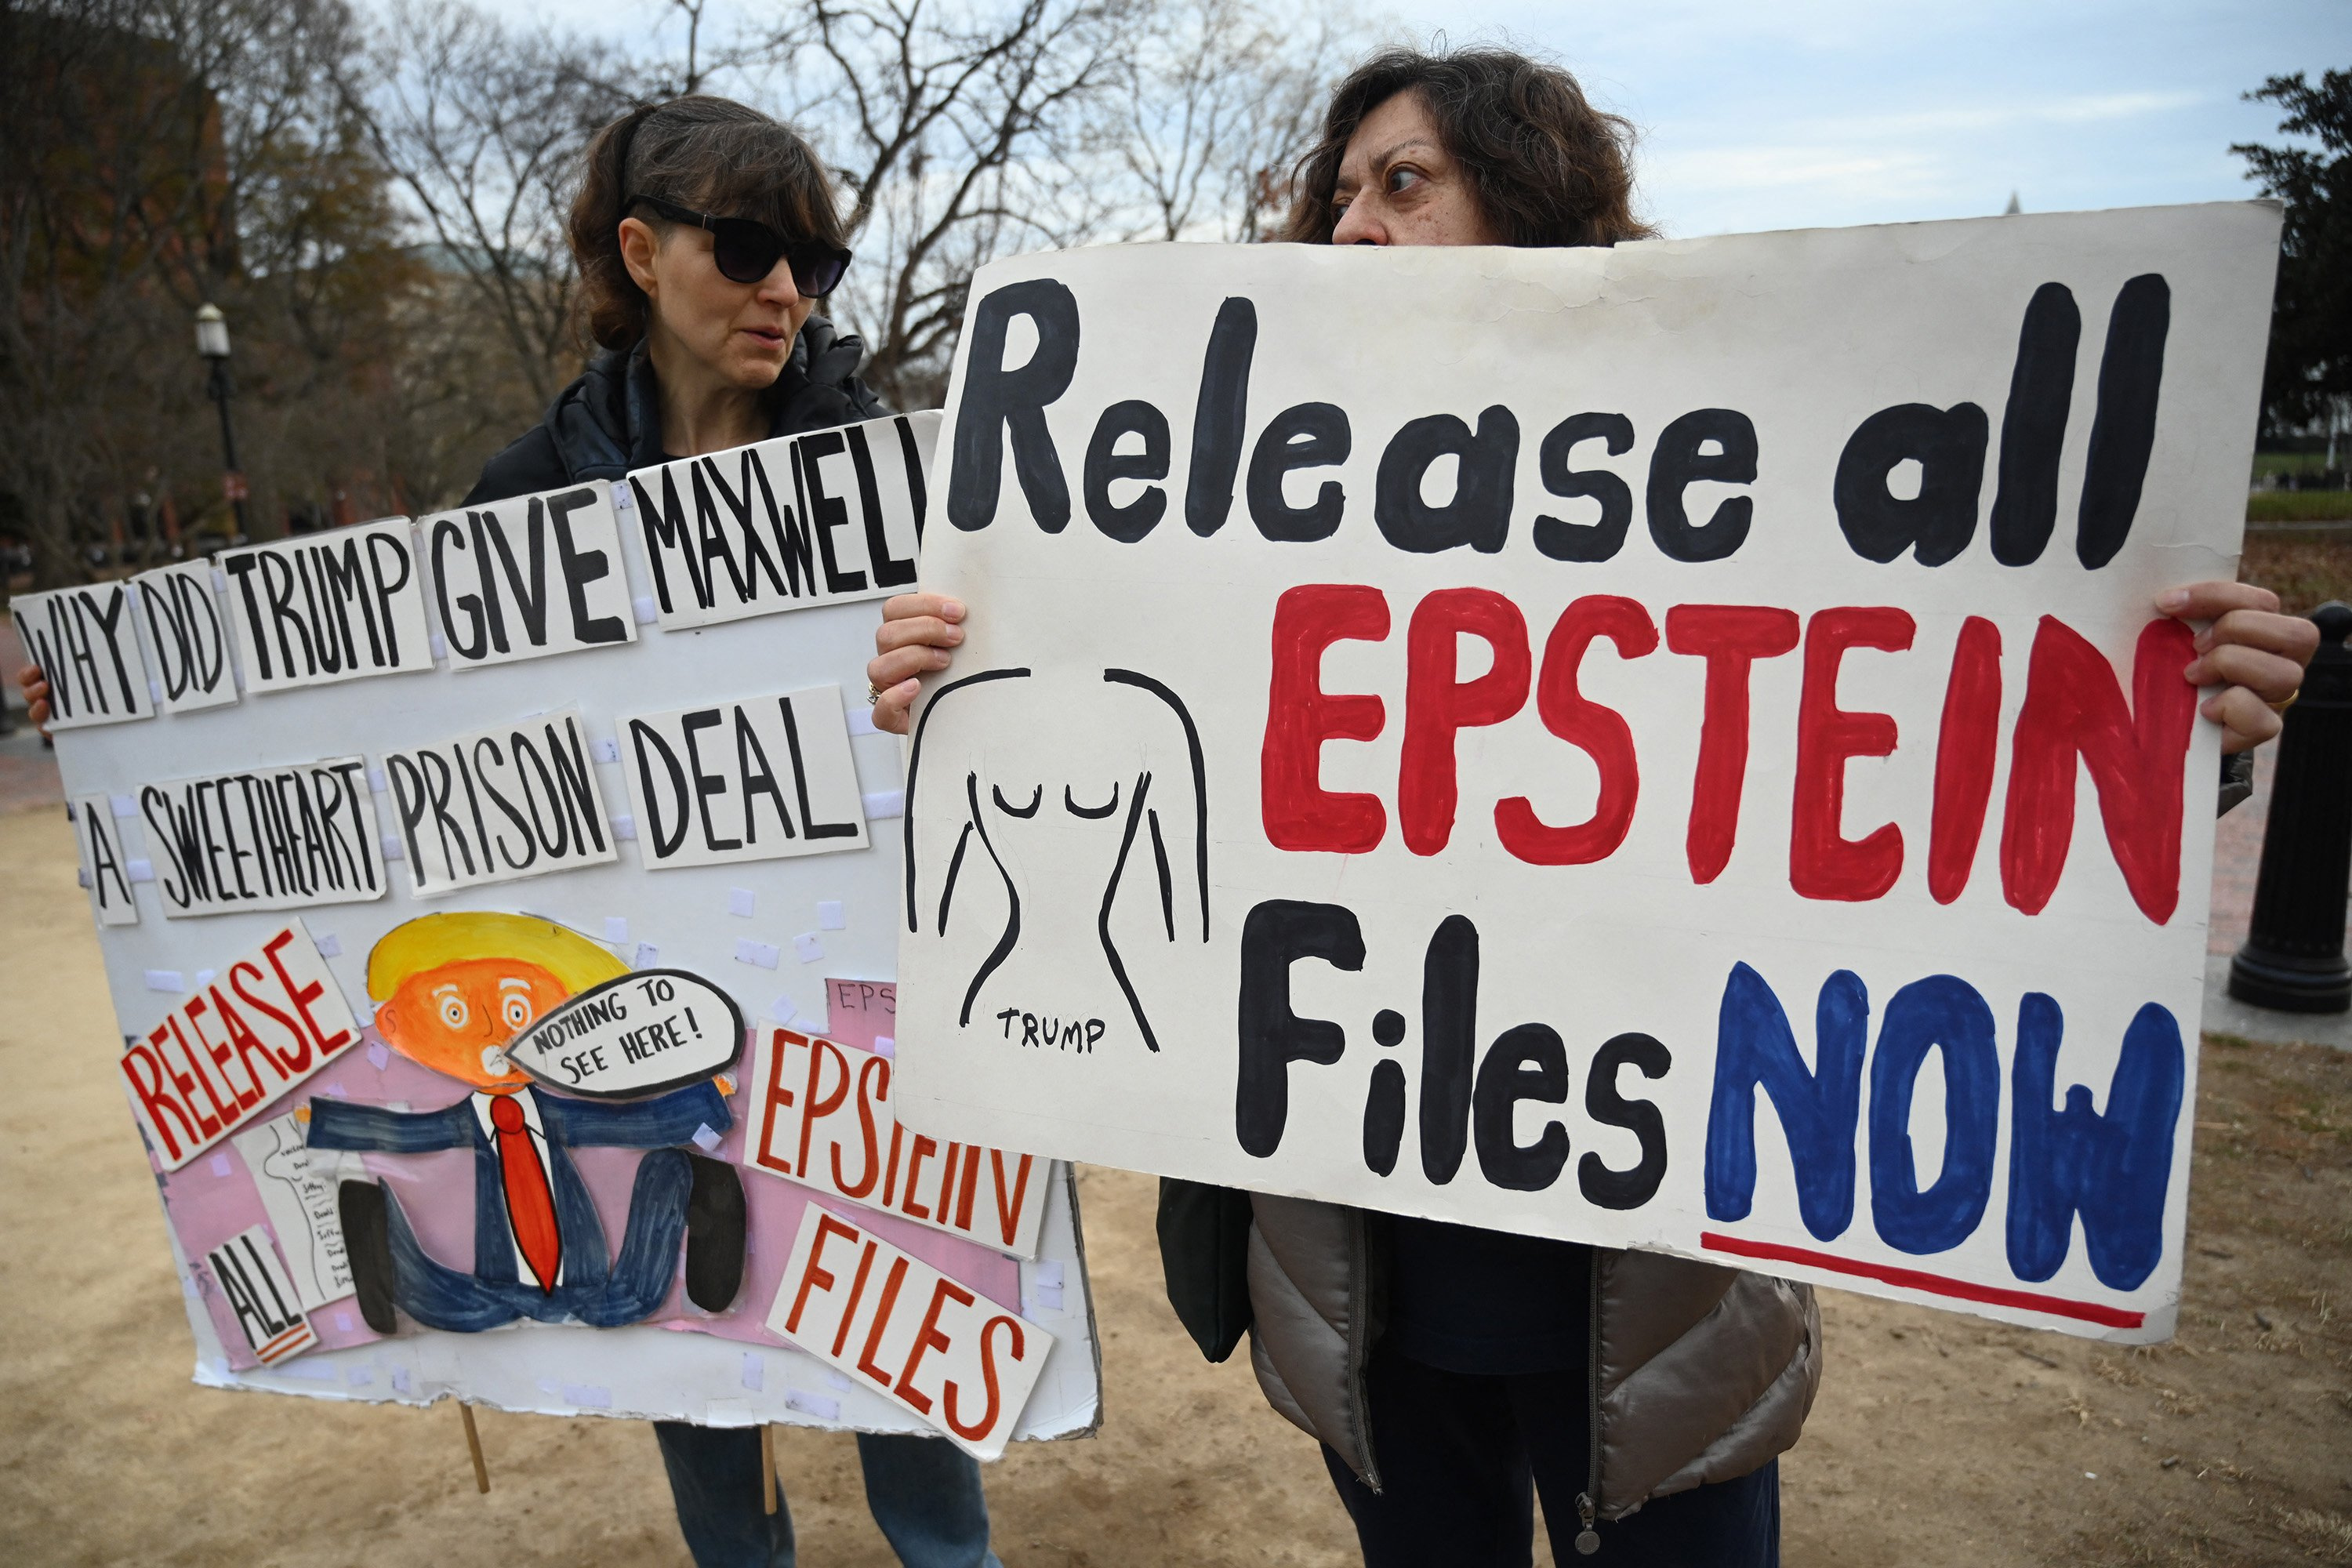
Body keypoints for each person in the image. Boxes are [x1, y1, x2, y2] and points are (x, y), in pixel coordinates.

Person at [864, 45, 2321, 1568]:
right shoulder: (1222, 505)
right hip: (1369, 1291)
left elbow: (1927, 729)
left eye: (1405, 183)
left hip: (1648, 1305)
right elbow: (1119, 730)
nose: (1353, 225)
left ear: (1535, 212)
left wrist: (2183, 727)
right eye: (1340, 194)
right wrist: (962, 680)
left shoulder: (1742, 467)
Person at [27, 94, 1002, 1568]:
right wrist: (122, 705)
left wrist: (948, 662)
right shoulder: (523, 496)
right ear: (642, 254)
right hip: (626, 1014)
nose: (787, 293)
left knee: (897, 1327)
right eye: (749, 249)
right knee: (687, 1328)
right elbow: (391, 722)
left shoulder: (889, 477)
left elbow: (1013, 725)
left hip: (858, 1006)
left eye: (815, 263)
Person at [310, 911, 744, 1334]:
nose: (492, 1034)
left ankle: (689, 1184)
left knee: (636, 1294)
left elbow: (626, 1122)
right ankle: (369, 1219)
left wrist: (705, 1100)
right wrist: (326, 1121)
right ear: (394, 1026)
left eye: (517, 1011)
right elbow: (409, 1133)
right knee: (439, 1302)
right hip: (497, 1290)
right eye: (456, 1014)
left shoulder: (555, 1112)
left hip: (588, 1286)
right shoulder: (467, 1121)